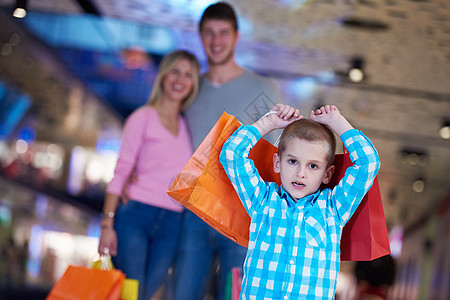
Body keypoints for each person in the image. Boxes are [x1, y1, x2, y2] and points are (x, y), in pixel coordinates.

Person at [171, 2, 282, 300]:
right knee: (182, 293)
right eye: (209, 33)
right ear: (200, 36)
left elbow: (278, 157)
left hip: (243, 211)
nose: (216, 41)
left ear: (236, 36)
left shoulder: (262, 89)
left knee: (238, 295)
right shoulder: (189, 89)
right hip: (194, 211)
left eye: (223, 33)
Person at [219, 104, 381, 299]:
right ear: (277, 163)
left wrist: (338, 123)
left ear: (327, 174)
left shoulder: (334, 209)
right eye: (293, 161)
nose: (301, 173)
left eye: (313, 166)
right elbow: (231, 154)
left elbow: (368, 162)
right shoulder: (262, 201)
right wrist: (268, 122)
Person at [98, 50, 200, 300]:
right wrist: (106, 225)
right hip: (136, 215)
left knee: (146, 293)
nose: (180, 80)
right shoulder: (141, 118)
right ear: (164, 76)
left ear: (193, 84)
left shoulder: (187, 126)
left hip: (172, 222)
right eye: (175, 71)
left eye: (188, 75)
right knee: (132, 293)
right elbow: (121, 172)